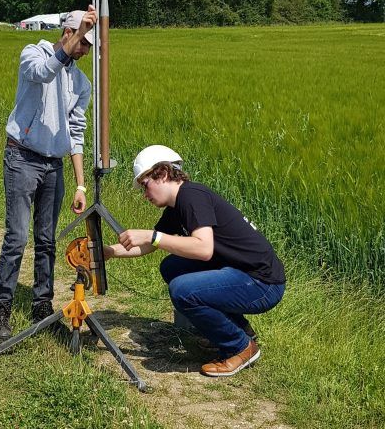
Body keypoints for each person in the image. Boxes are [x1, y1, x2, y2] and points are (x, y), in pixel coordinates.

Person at [104, 145, 285, 377]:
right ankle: (240, 331)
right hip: (242, 273)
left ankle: (239, 347)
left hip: (262, 284)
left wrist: (154, 236)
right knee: (172, 266)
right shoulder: (177, 206)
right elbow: (150, 245)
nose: (144, 194)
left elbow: (203, 248)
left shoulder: (191, 196)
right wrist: (109, 251)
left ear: (163, 174)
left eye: (145, 185)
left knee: (182, 290)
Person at [0, 6, 97, 339]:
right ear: (66, 32)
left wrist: (80, 185)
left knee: (47, 240)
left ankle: (41, 306)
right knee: (17, 238)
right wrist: (75, 37)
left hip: (54, 166)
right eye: (82, 41)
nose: (85, 49)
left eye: (89, 45)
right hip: (21, 158)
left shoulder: (81, 83)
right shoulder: (33, 53)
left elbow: (76, 132)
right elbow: (44, 72)